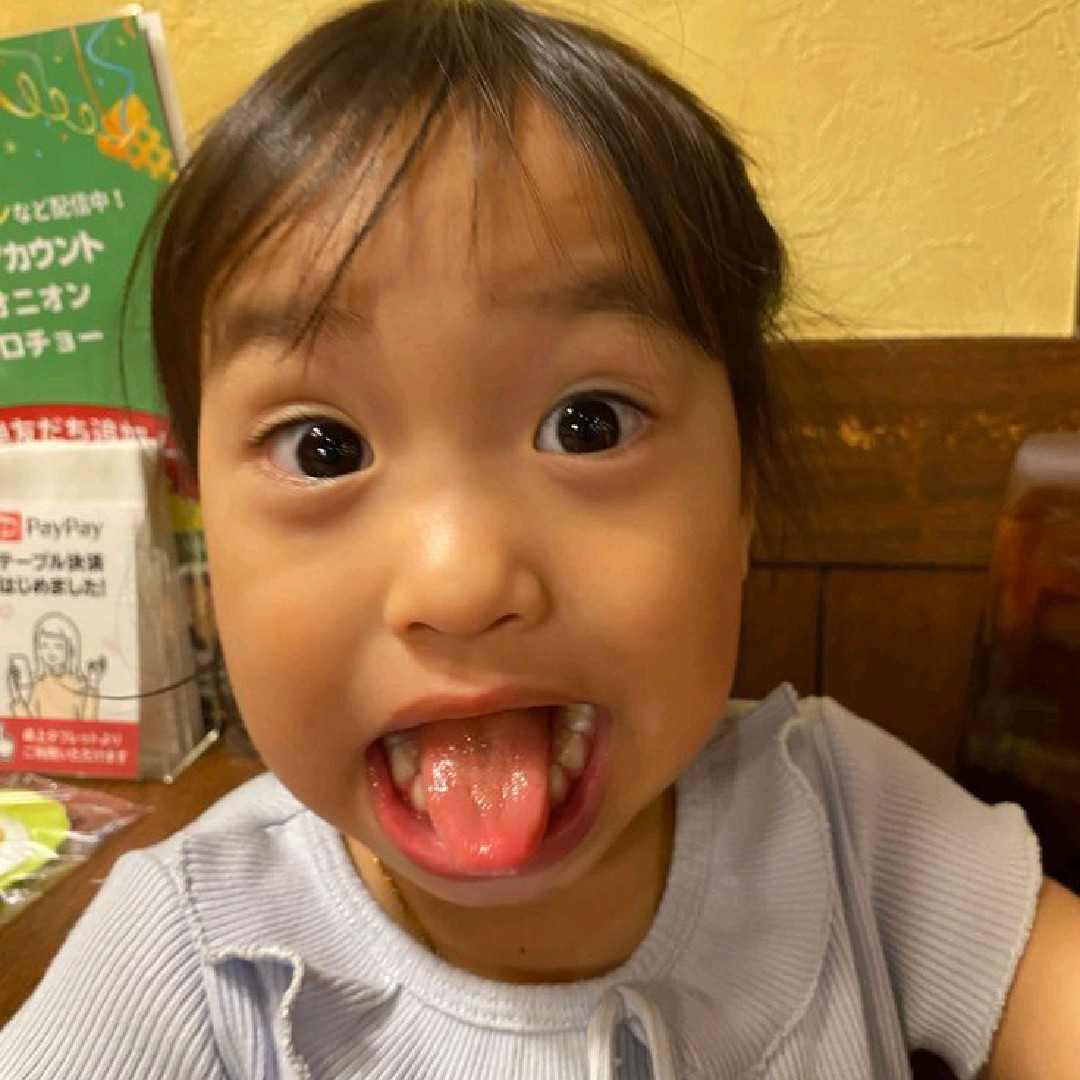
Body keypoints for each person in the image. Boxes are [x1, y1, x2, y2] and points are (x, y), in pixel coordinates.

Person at [3, 1, 1078, 1076]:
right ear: (204, 531)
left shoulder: (843, 820)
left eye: (589, 425)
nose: (461, 582)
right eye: (322, 449)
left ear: (742, 492)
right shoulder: (188, 955)